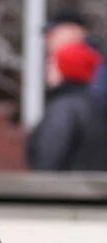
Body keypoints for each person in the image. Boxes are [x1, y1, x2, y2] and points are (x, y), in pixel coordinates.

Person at [29, 37, 107, 172]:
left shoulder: (64, 108)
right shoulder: (95, 106)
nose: (47, 67)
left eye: (53, 63)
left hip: (66, 190)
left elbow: (49, 157)